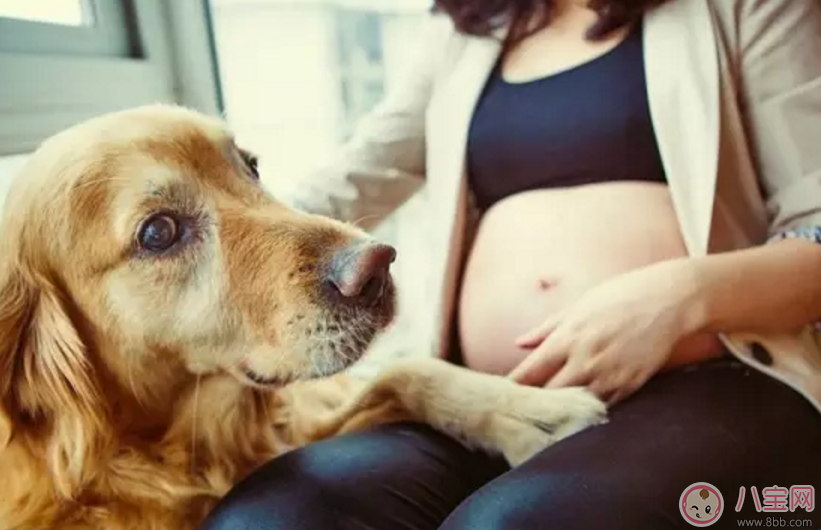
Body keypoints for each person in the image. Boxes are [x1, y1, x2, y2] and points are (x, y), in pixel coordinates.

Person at [200, 0, 821, 528]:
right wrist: (205, 243)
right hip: (491, 396)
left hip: (708, 384)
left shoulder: (745, 9)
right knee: (272, 516)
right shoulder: (467, 32)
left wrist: (681, 295)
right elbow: (357, 173)